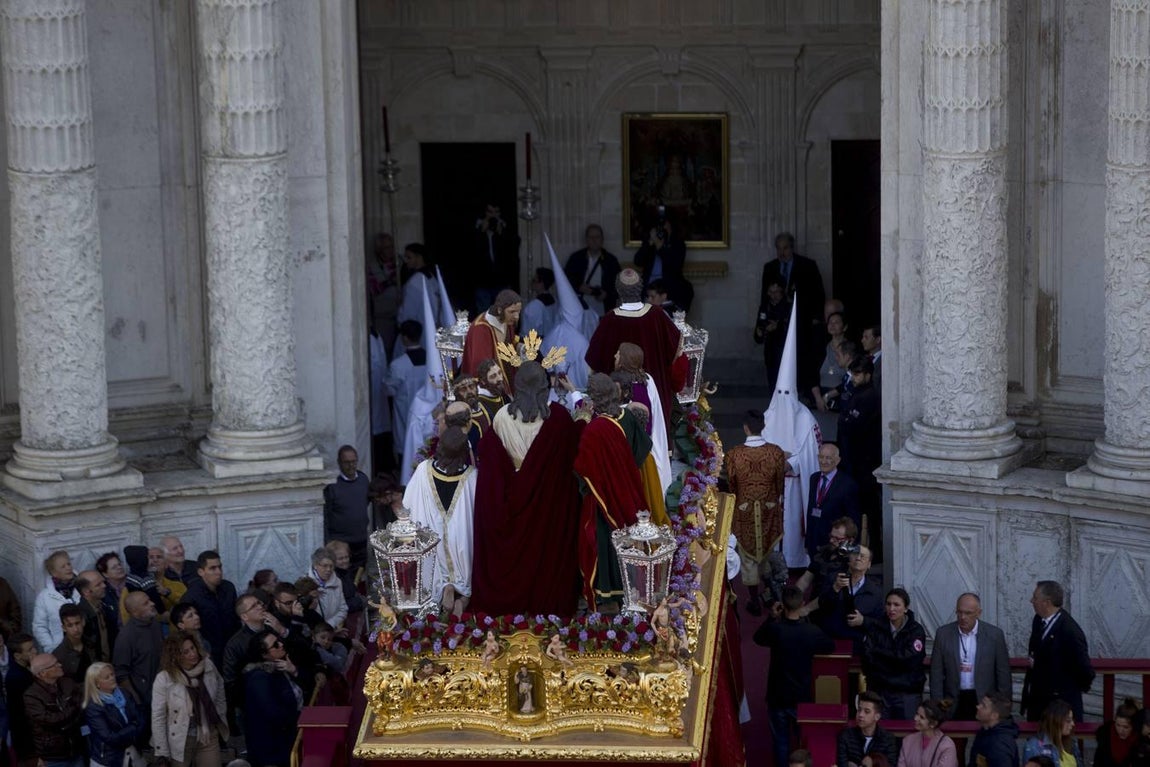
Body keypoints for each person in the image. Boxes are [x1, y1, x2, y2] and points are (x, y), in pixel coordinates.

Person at [471, 361, 583, 617]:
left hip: (509, 507)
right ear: (545, 390)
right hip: (546, 509)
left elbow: (492, 467)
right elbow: (570, 462)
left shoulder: (500, 418)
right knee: (545, 558)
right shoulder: (559, 420)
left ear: (517, 388)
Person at [574, 373, 651, 610]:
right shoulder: (626, 416)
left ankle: (608, 593)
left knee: (606, 542)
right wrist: (623, 469)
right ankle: (635, 591)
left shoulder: (594, 430)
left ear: (594, 398)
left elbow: (583, 469)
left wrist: (581, 423)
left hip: (604, 500)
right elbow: (643, 448)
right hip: (630, 489)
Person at [762, 299, 822, 569]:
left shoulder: (805, 418)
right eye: (781, 393)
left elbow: (810, 454)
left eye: (788, 394)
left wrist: (790, 461)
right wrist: (775, 458)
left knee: (794, 525)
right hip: (774, 484)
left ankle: (796, 560)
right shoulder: (771, 412)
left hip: (796, 485)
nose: (784, 398)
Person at [586, 268, 682, 429]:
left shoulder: (610, 320)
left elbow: (595, 361)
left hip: (618, 398)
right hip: (655, 389)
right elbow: (676, 352)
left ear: (618, 289)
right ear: (640, 288)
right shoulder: (657, 315)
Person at [753, 585, 834, 767]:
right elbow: (829, 646)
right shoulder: (811, 631)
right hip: (801, 695)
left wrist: (772, 617)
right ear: (802, 603)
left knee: (781, 743)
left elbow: (758, 638)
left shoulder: (776, 629)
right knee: (802, 742)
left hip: (777, 694)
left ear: (782, 605)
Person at [405, 428, 477, 617]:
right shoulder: (472, 476)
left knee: (435, 565)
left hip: (431, 535)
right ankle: (462, 598)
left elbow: (408, 504)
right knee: (465, 571)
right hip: (461, 536)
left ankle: (444, 587)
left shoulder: (423, 470)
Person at [726, 409, 787, 616]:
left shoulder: (734, 454)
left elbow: (732, 485)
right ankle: (770, 593)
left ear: (745, 428)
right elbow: (779, 482)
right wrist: (771, 498)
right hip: (769, 508)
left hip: (745, 510)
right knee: (768, 552)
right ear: (764, 426)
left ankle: (754, 599)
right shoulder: (776, 452)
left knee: (748, 557)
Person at [759, 232, 825, 396]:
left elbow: (818, 295)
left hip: (800, 322)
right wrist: (760, 325)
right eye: (779, 248)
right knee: (775, 362)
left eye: (786, 248)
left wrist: (816, 321)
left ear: (792, 248)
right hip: (776, 326)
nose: (782, 252)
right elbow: (763, 298)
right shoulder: (770, 267)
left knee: (799, 360)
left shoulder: (807, 265)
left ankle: (799, 394)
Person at [929, 593, 1012, 720]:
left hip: (984, 700)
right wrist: (938, 706)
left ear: (979, 613)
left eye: (968, 613)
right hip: (952, 700)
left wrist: (1002, 707)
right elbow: (936, 673)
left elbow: (1003, 673)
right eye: (959, 612)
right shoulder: (943, 634)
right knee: (953, 738)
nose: (963, 617)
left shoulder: (994, 635)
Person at [151, 631, 228, 767]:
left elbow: (220, 687)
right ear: (175, 656)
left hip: (208, 735)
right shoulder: (164, 678)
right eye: (185, 652)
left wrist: (219, 712)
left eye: (192, 648)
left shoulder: (208, 665)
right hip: (180, 740)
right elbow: (158, 716)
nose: (192, 654)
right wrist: (162, 751)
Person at [1021, 580, 1094, 723]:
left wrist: (1067, 689)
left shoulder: (1070, 631)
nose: (1031, 601)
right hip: (1039, 701)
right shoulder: (1038, 621)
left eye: (1035, 598)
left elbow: (1085, 669)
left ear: (1046, 602)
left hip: (1059, 705)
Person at [852, 588, 925, 721]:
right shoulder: (875, 628)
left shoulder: (915, 630)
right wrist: (893, 660)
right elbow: (868, 658)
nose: (892, 608)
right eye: (888, 604)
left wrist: (880, 653)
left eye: (896, 605)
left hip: (906, 692)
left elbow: (909, 660)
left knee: (907, 734)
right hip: (881, 691)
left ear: (906, 608)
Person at [613, 341, 673, 497]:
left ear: (625, 359)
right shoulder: (646, 379)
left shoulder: (631, 388)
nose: (615, 356)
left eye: (618, 353)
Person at [838, 357, 883, 557]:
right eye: (852, 374)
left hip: (865, 462)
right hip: (852, 461)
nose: (854, 379)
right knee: (855, 508)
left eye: (857, 374)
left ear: (867, 375)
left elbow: (853, 426)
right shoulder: (855, 394)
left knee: (869, 510)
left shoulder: (869, 396)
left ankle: (873, 549)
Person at [242, 630, 303, 767]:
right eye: (275, 645)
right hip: (272, 749)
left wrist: (293, 670)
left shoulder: (281, 665)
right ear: (264, 655)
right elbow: (273, 713)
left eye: (279, 640)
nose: (281, 644)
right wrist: (300, 718)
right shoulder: (259, 678)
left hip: (288, 737)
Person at [178, 551, 240, 672]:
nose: (218, 572)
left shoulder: (228, 588)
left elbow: (235, 617)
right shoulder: (191, 596)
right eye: (212, 568)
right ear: (201, 572)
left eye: (220, 567)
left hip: (232, 648)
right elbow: (188, 629)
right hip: (209, 653)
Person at [815, 545, 882, 652]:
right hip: (830, 641)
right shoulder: (833, 579)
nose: (858, 558)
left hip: (858, 644)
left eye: (863, 556)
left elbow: (881, 623)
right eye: (855, 554)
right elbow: (821, 607)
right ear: (849, 559)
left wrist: (863, 621)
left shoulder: (876, 592)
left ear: (869, 564)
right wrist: (835, 589)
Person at [24, 653, 85, 767]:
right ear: (43, 673)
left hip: (76, 749)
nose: (60, 665)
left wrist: (70, 713)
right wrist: (72, 710)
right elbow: (49, 720)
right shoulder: (31, 696)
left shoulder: (68, 683)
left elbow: (81, 705)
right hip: (53, 756)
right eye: (54, 664)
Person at [82, 662, 145, 767]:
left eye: (112, 674)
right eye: (107, 677)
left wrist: (132, 729)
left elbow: (140, 719)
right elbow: (109, 737)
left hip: (132, 753)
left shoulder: (124, 693)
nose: (112, 678)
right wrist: (133, 727)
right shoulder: (93, 707)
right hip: (109, 759)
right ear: (97, 684)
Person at [804, 443, 860, 559]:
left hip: (835, 544)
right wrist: (807, 542)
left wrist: (848, 548)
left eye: (828, 458)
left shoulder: (847, 484)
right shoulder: (813, 478)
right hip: (814, 542)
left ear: (838, 460)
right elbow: (811, 510)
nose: (824, 461)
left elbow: (853, 519)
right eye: (821, 457)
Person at [112, 592, 163, 719]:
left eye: (149, 600)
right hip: (145, 698)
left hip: (163, 689)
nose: (152, 604)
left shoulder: (155, 624)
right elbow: (121, 673)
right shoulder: (126, 637)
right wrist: (137, 700)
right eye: (146, 603)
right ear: (135, 612)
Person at [322, 445, 371, 571]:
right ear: (339, 463)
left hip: (361, 540)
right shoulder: (333, 486)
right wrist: (328, 541)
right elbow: (326, 515)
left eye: (354, 462)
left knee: (360, 577)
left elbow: (365, 503)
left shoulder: (363, 479)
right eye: (347, 462)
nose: (351, 466)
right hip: (340, 544)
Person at [461, 289, 522, 386]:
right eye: (512, 312)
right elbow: (481, 367)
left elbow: (509, 344)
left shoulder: (507, 321)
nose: (517, 317)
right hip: (491, 385)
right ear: (499, 310)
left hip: (507, 379)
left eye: (518, 312)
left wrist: (520, 348)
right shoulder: (480, 329)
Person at [385, 319, 428, 456]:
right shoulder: (432, 360)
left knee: (406, 451)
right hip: (427, 413)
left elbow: (389, 390)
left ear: (404, 338)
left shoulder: (398, 365)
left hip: (406, 413)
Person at [470, 202, 521, 312]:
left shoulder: (505, 228)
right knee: (484, 315)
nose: (493, 216)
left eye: (496, 212)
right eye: (490, 212)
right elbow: (472, 253)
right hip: (482, 282)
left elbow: (511, 251)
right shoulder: (477, 229)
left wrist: (501, 234)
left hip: (501, 281)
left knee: (504, 314)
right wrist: (481, 232)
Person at [634, 212, 688, 310]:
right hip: (649, 288)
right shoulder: (651, 242)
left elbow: (675, 266)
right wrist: (649, 243)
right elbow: (638, 261)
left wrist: (660, 246)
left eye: (664, 225)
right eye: (659, 226)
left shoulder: (678, 244)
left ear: (670, 226)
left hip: (668, 288)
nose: (661, 228)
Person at [32, 551, 81, 654]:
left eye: (68, 564)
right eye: (63, 566)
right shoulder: (44, 597)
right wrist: (51, 647)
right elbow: (39, 626)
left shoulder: (82, 587)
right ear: (54, 573)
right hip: (60, 649)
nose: (68, 568)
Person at [565, 223, 621, 314]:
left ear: (602, 239)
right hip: (581, 308)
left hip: (604, 308)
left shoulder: (611, 261)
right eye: (591, 237)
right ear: (586, 239)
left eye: (597, 237)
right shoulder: (576, 258)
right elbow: (566, 280)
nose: (594, 240)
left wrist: (606, 294)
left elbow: (618, 285)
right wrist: (579, 287)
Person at [836, 690, 901, 767]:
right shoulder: (846, 736)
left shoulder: (888, 739)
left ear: (877, 716)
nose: (860, 714)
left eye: (866, 711)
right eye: (859, 710)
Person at [6, 633, 38, 767]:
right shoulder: (17, 678)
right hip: (28, 741)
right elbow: (23, 714)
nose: (35, 651)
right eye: (30, 649)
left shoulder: (25, 669)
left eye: (34, 647)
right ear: (17, 655)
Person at [754, 279, 791, 394]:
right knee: (772, 380)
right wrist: (759, 333)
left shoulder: (788, 306)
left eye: (776, 292)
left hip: (784, 348)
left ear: (781, 292)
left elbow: (791, 327)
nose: (773, 295)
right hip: (770, 349)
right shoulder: (765, 306)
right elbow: (759, 325)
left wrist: (778, 326)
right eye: (771, 292)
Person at [897, 699, 958, 767]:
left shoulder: (947, 746)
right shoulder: (907, 741)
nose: (915, 718)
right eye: (917, 714)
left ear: (933, 724)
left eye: (922, 717)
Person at [395, 243, 441, 332]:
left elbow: (408, 310)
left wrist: (401, 323)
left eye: (409, 257)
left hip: (418, 329)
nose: (406, 261)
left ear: (419, 257)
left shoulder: (415, 281)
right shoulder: (431, 277)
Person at [967, 691, 1020, 767]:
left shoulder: (999, 745)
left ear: (994, 716)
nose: (978, 706)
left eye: (983, 705)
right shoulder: (985, 732)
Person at [75, 570, 117, 665]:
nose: (104, 586)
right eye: (98, 585)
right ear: (86, 592)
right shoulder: (80, 617)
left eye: (103, 582)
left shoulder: (106, 606)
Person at [1022, 700, 1082, 765]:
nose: (1073, 724)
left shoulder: (1072, 743)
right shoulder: (1033, 747)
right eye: (1068, 720)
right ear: (1056, 721)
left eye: (1072, 720)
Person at [814, 311, 850, 411]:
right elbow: (812, 377)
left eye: (837, 322)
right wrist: (818, 399)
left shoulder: (850, 349)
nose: (832, 325)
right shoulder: (821, 348)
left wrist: (828, 396)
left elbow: (852, 379)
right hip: (820, 400)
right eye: (830, 322)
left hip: (842, 400)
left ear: (845, 327)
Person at [308, 549, 348, 631]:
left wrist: (330, 624)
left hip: (332, 629)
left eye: (331, 566)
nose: (328, 569)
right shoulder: (306, 583)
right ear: (315, 565)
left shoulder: (337, 582)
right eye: (325, 566)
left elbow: (343, 608)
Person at [51, 604, 92, 684]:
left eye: (77, 623)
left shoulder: (91, 644)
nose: (76, 629)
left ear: (83, 622)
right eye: (70, 625)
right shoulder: (59, 655)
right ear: (64, 628)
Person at [1094, 698, 1141, 767]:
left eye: (1126, 727)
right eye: (1118, 725)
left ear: (1134, 726)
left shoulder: (1140, 742)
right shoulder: (1105, 736)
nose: (1121, 730)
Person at [519, 267, 557, 339]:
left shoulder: (534, 306)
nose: (531, 282)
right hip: (553, 342)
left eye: (534, 280)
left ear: (541, 283)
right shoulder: (555, 301)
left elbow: (526, 333)